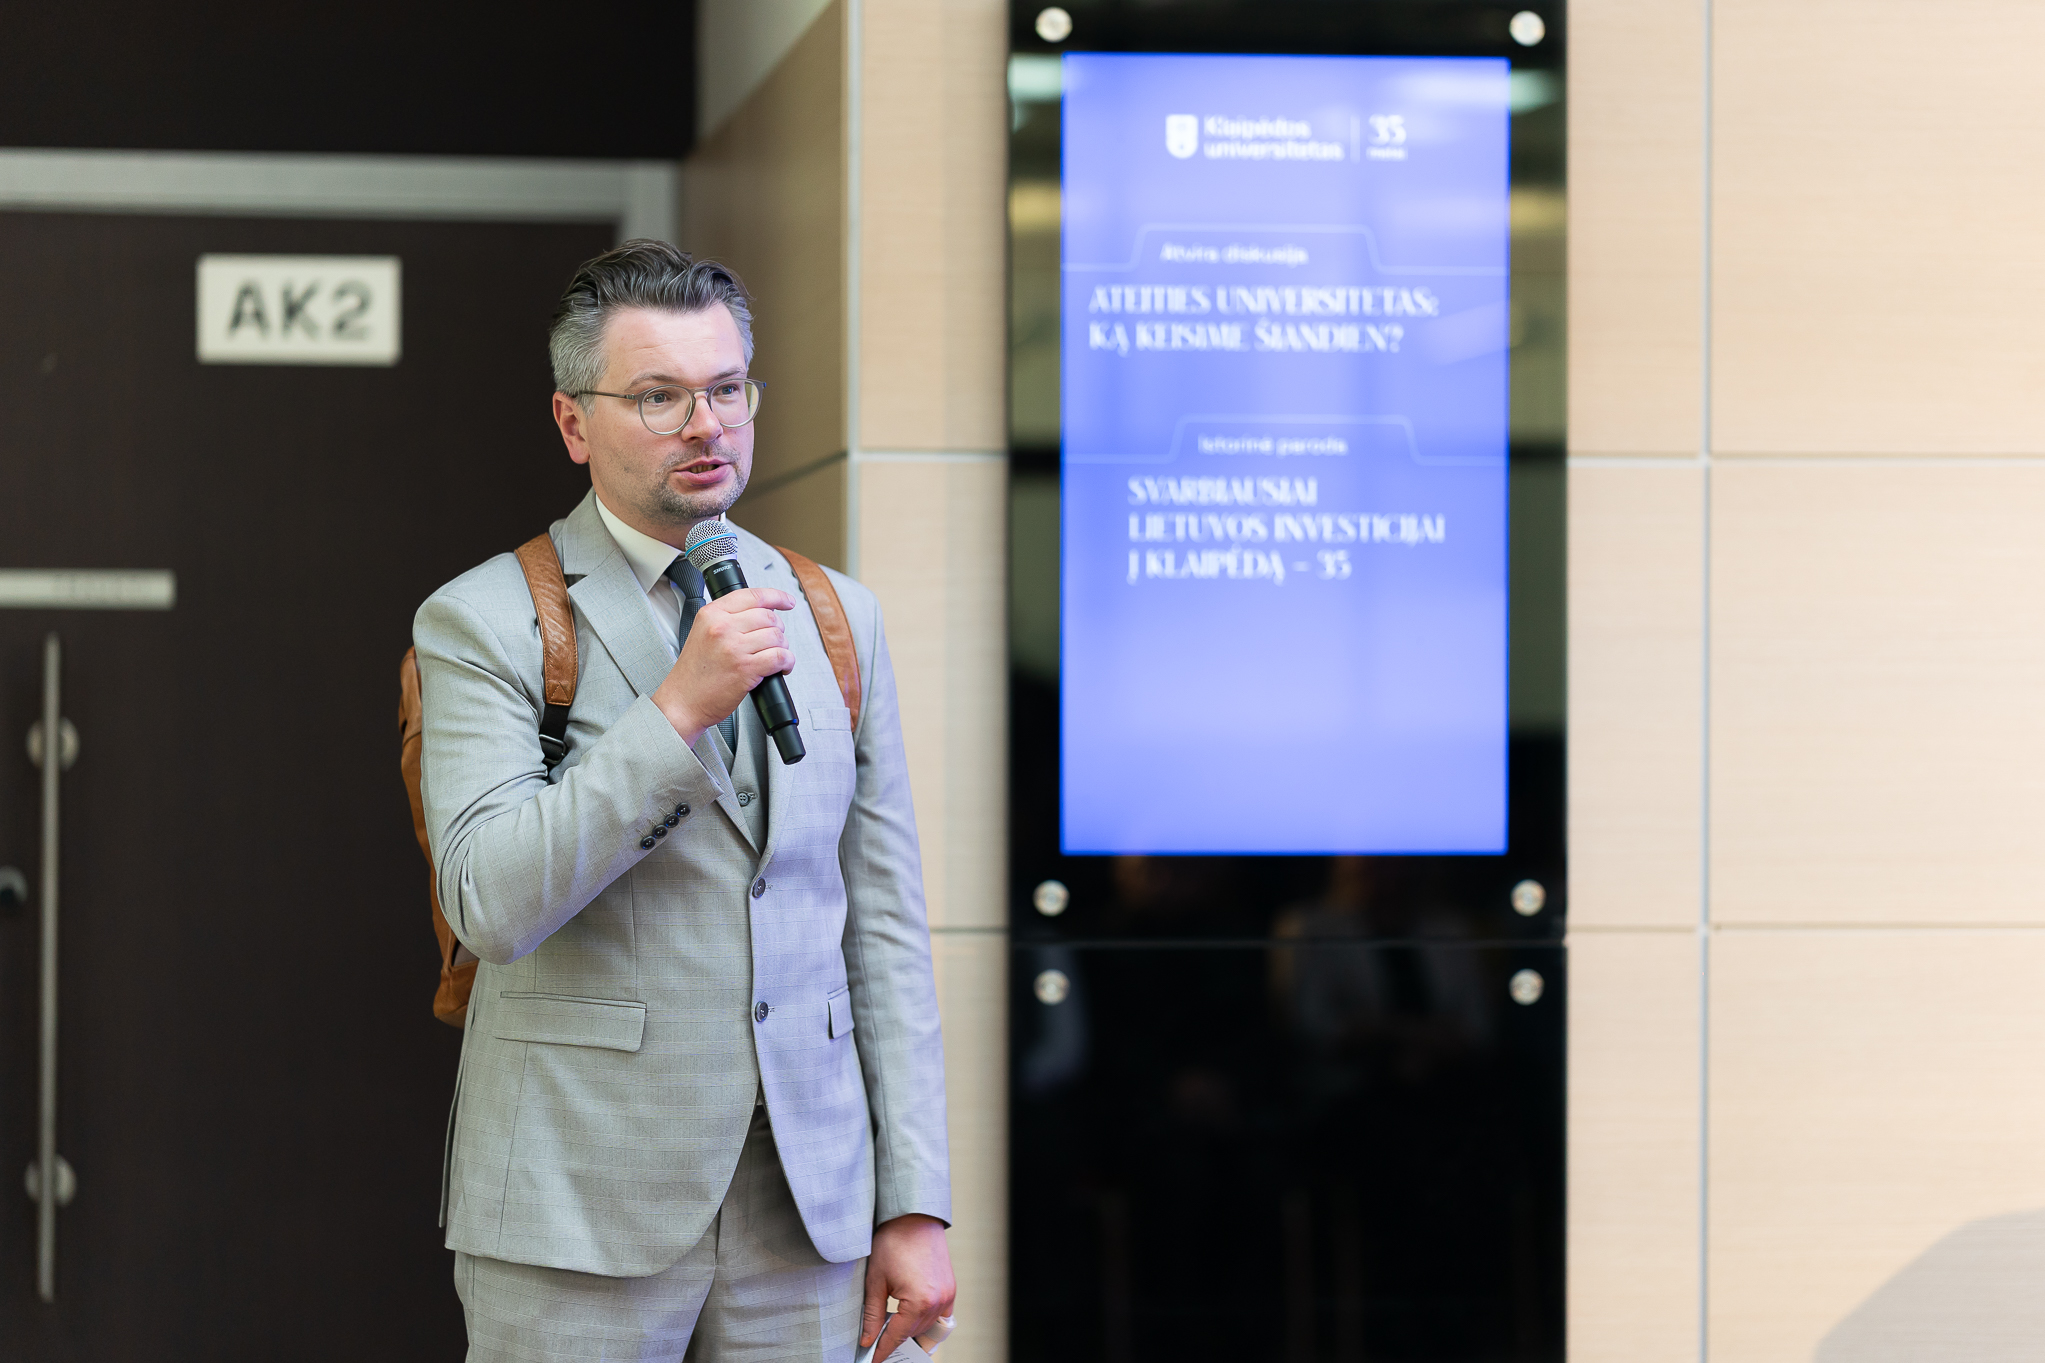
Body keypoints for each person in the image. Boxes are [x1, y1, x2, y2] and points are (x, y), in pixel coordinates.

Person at [413, 240, 955, 1361]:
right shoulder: (483, 618)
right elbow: (491, 903)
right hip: (577, 1201)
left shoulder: (833, 614)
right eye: (659, 396)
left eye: (725, 389)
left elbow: (882, 926)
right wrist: (675, 713)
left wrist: (914, 1201)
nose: (706, 425)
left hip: (805, 1207)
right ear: (573, 423)